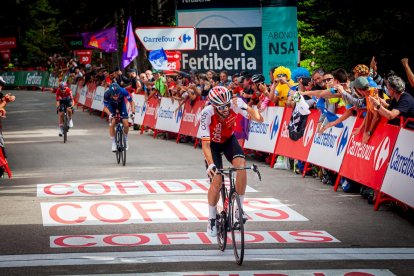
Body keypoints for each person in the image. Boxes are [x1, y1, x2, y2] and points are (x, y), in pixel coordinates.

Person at [200, 86, 264, 237]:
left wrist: (246, 107)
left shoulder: (236, 104)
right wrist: (210, 164)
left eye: (227, 105)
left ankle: (239, 208)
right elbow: (205, 145)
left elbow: (259, 119)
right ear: (214, 106)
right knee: (217, 181)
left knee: (241, 166)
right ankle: (211, 218)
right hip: (213, 146)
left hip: (229, 140)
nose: (225, 109)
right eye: (221, 107)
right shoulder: (206, 113)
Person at [103, 83, 136, 151]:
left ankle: (125, 139)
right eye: (114, 96)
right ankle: (113, 142)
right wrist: (110, 114)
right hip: (111, 106)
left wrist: (133, 113)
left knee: (126, 124)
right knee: (113, 122)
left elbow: (132, 102)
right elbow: (105, 108)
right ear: (111, 93)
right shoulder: (107, 94)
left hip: (121, 105)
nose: (116, 97)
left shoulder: (123, 91)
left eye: (117, 95)